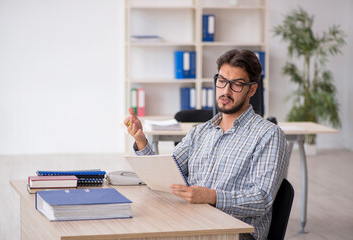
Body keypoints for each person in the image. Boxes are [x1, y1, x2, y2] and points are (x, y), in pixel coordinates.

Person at [124, 49, 289, 240]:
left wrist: (212, 196)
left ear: (252, 89)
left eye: (236, 84)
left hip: (234, 233)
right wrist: (141, 140)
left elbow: (262, 199)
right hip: (192, 222)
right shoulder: (200, 131)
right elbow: (167, 173)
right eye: (222, 81)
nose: (226, 91)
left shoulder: (269, 134)